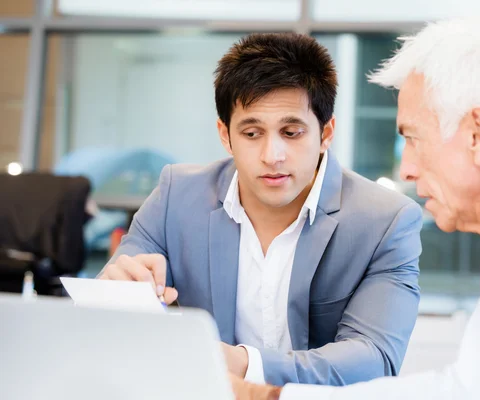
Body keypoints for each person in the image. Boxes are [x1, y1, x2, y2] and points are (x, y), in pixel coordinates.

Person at [230, 19, 480, 400]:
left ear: (477, 134)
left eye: (412, 137)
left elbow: (479, 394)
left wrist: (264, 396)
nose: (405, 168)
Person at [98, 33, 424, 387]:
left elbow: (374, 358)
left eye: (291, 132)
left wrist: (242, 362)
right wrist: (116, 293)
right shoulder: (176, 196)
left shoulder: (385, 221)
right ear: (226, 135)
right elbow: (106, 314)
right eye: (252, 133)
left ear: (325, 133)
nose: (272, 155)